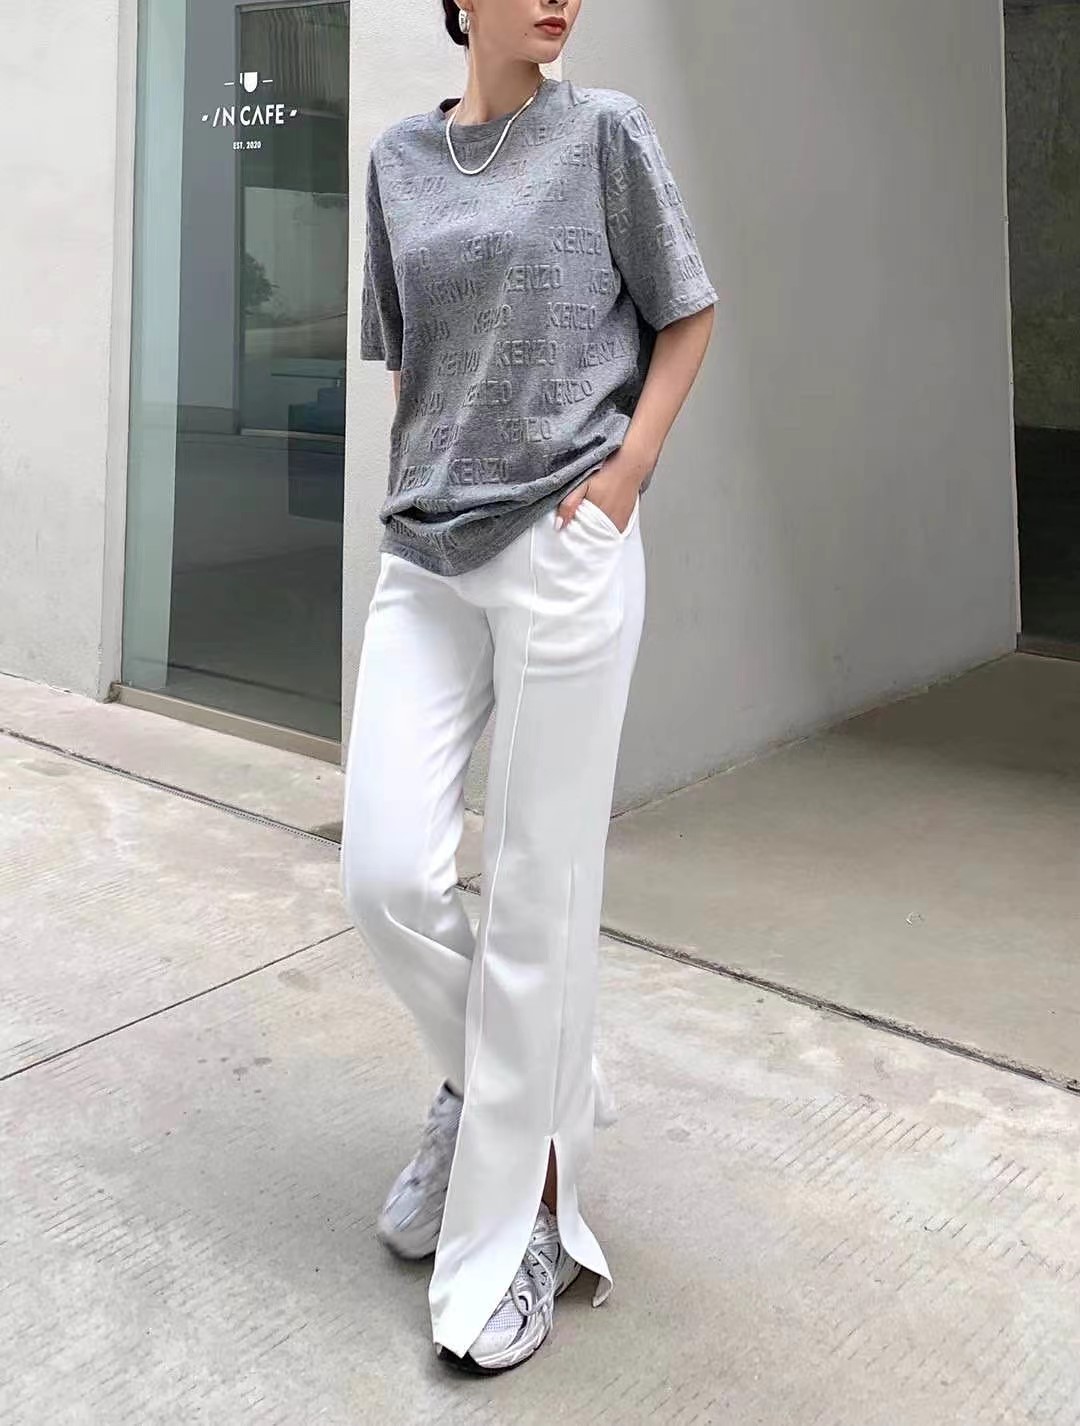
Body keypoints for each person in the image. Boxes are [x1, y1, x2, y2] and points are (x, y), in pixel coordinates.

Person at [340, 0, 717, 1376]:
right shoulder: (396, 161)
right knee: (385, 872)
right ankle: (505, 1088)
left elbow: (688, 314)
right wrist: (417, 486)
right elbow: (411, 363)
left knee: (538, 901)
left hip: (568, 540)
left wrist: (624, 482)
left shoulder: (606, 132)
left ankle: (520, 1234)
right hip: (427, 554)